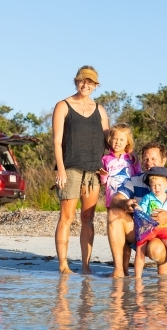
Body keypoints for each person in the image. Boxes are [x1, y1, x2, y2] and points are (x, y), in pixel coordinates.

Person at [107, 142, 167, 278]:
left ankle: (163, 276)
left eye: (154, 159)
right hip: (141, 231)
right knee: (114, 212)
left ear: (163, 160)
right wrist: (125, 203)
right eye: (146, 159)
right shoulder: (135, 180)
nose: (149, 163)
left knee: (155, 250)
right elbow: (114, 200)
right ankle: (119, 271)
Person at [52, 65, 109, 274]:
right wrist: (60, 169)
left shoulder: (100, 109)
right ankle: (63, 265)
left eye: (90, 82)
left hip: (94, 171)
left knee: (88, 218)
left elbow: (109, 140)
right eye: (82, 81)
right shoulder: (63, 106)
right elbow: (57, 141)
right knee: (66, 217)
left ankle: (86, 265)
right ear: (76, 82)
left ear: (95, 85)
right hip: (71, 168)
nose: (85, 85)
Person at [133, 166, 167, 280]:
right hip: (149, 227)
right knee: (140, 250)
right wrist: (138, 208)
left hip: (165, 227)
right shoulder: (148, 197)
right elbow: (142, 208)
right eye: (153, 185)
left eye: (160, 185)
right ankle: (137, 277)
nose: (157, 188)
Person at [99, 123, 141, 209]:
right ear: (110, 140)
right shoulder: (105, 159)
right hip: (112, 199)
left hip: (130, 198)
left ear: (127, 142)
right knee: (112, 221)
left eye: (122, 140)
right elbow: (104, 182)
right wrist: (103, 176)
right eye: (115, 139)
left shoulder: (132, 159)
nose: (118, 142)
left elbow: (138, 177)